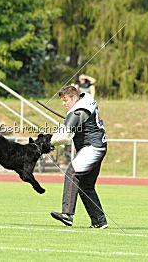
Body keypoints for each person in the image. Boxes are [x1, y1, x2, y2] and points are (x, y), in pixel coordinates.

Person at [50, 85, 108, 228]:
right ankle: (99, 221)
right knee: (85, 186)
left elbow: (64, 137)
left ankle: (67, 214)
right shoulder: (87, 99)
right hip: (99, 146)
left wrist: (45, 142)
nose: (64, 104)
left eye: (66, 100)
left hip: (92, 147)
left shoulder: (79, 110)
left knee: (72, 173)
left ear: (75, 98)